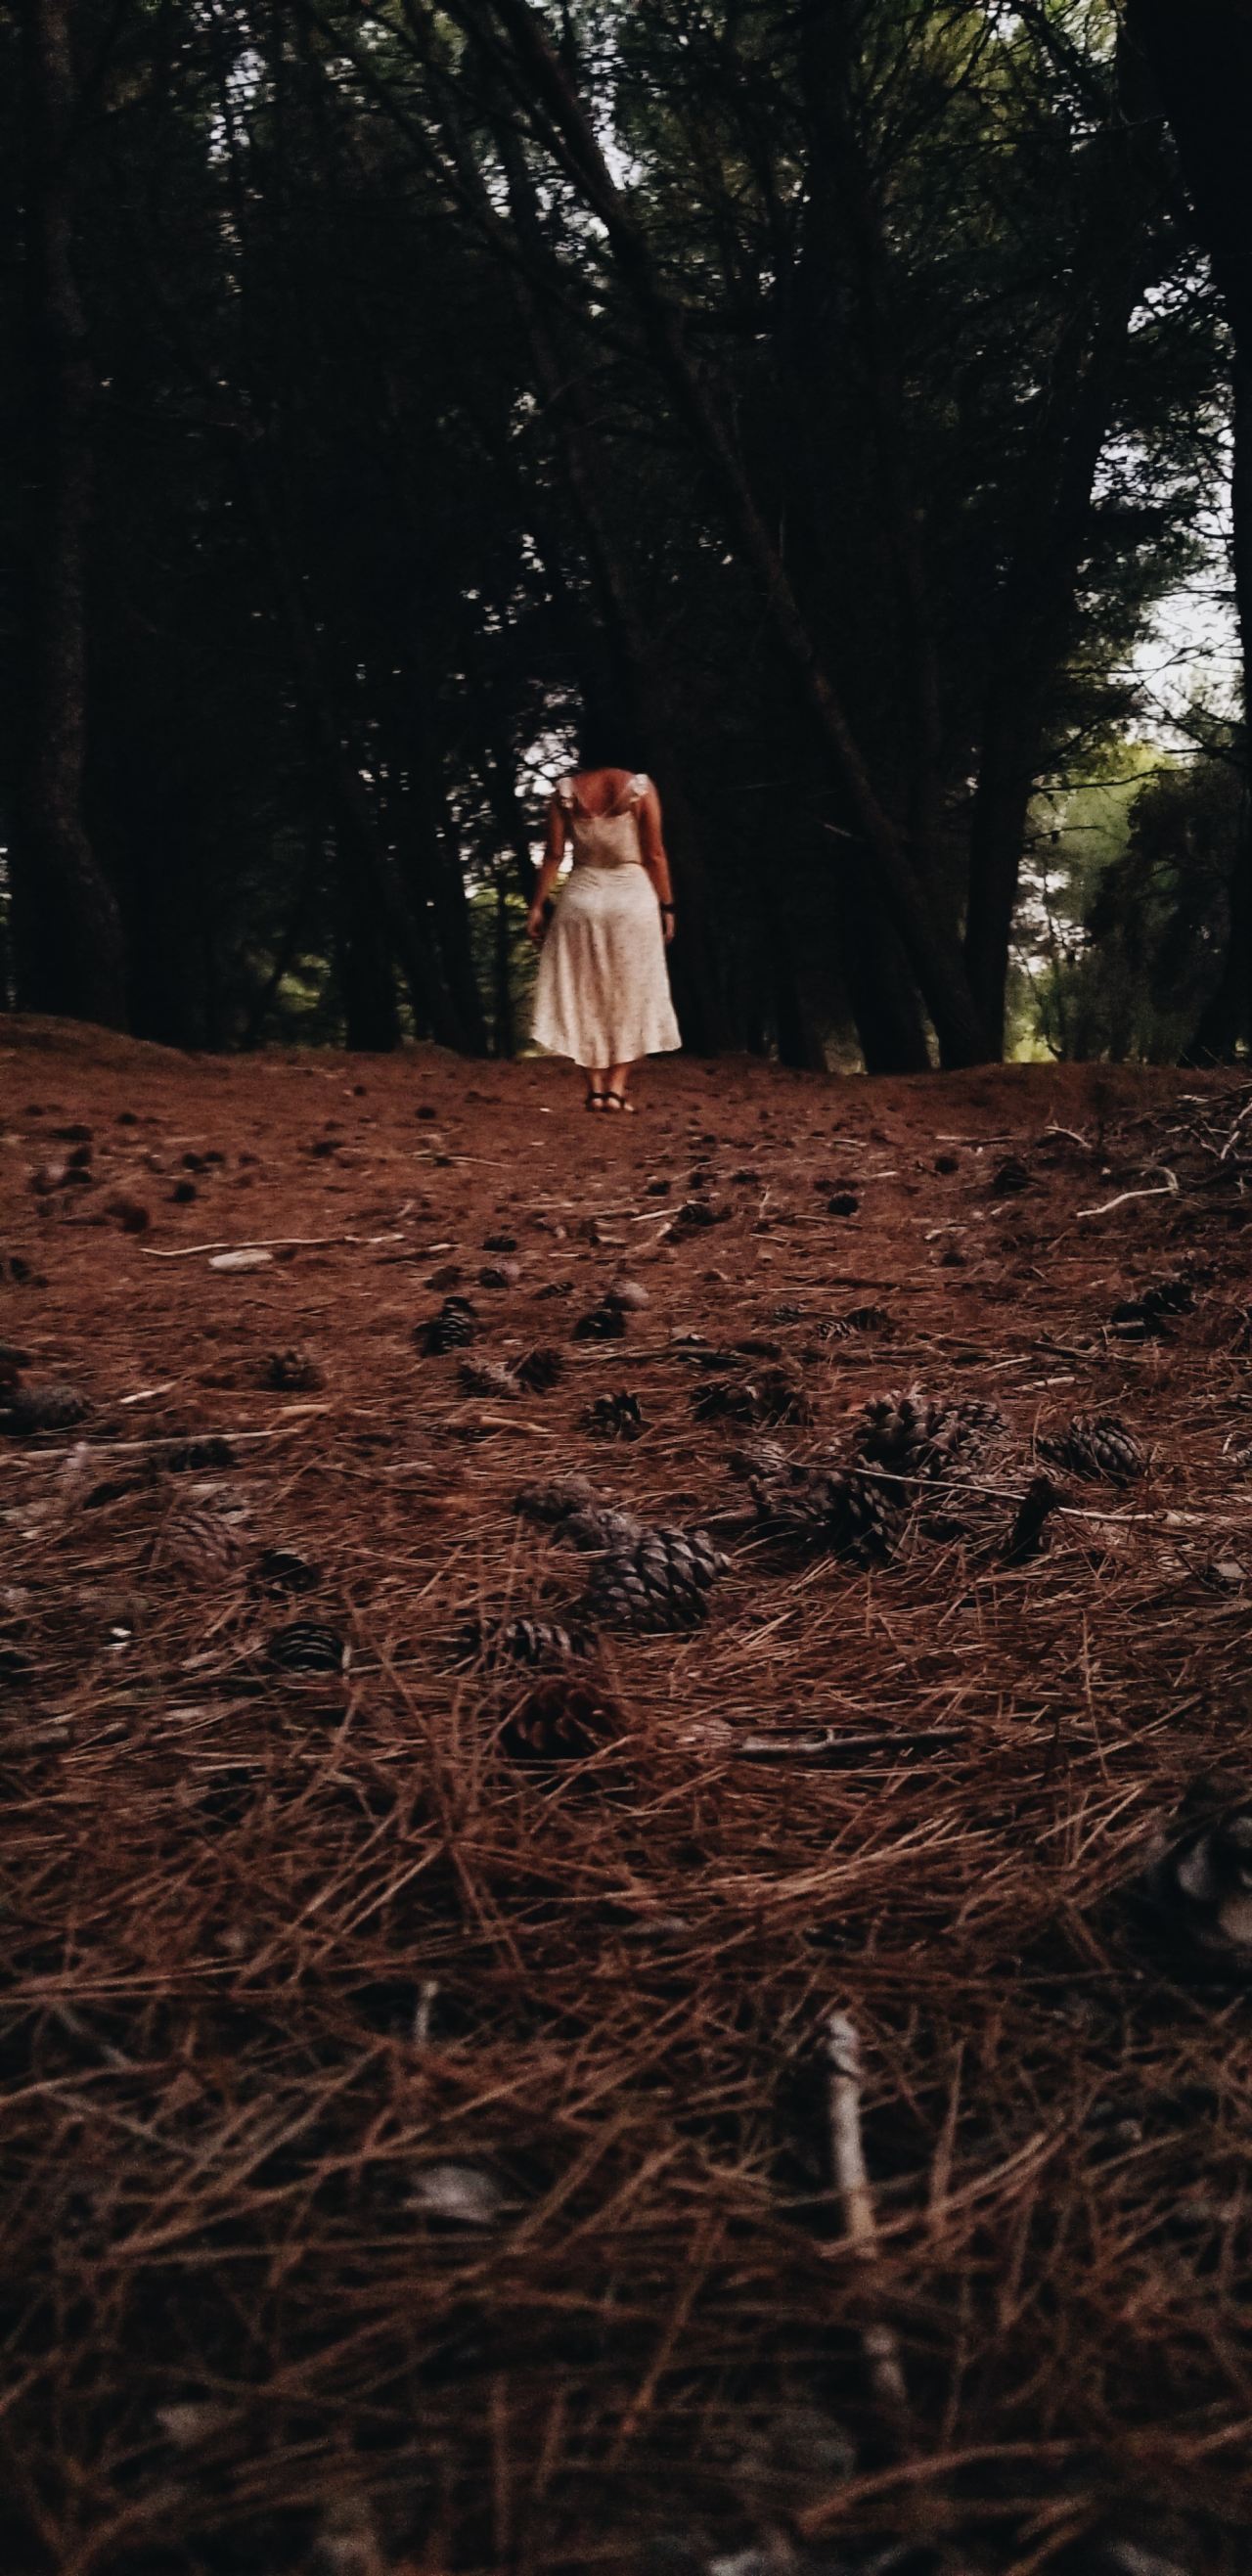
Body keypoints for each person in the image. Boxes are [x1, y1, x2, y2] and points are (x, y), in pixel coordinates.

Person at [526, 758, 681, 1109]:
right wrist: (667, 905)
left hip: (581, 899)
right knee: (632, 991)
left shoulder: (565, 793)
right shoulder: (640, 789)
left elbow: (553, 854)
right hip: (632, 899)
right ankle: (616, 1088)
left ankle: (594, 1088)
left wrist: (537, 905)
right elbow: (654, 854)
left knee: (584, 991)